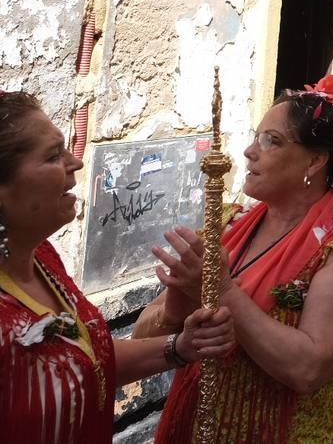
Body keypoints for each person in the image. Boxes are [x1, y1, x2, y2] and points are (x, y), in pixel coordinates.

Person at [147, 78, 333, 442]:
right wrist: (176, 306)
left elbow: (308, 367)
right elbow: (144, 335)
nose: (249, 151)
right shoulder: (228, 224)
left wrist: (221, 288)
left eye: (271, 141)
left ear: (315, 160)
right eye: (255, 136)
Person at [0, 93, 234, 443]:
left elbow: (89, 359)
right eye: (52, 155)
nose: (74, 163)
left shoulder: (43, 257)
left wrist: (180, 347)